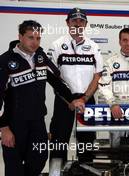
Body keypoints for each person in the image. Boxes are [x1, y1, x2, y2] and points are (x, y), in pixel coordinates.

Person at [0, 20, 82, 176]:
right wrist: (4, 128)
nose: (35, 42)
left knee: (40, 157)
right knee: (14, 166)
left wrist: (72, 99)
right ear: (20, 37)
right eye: (31, 37)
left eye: (38, 38)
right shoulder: (5, 61)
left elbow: (56, 81)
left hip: (37, 120)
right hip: (14, 123)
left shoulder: (41, 57)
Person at [47, 7, 103, 162]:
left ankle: (86, 170)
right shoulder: (56, 45)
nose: (78, 24)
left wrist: (84, 98)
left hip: (87, 100)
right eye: (74, 20)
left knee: (87, 142)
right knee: (59, 140)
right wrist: (70, 100)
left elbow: (97, 76)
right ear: (67, 23)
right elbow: (52, 77)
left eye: (81, 21)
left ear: (85, 24)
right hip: (65, 100)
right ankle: (57, 171)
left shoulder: (93, 46)